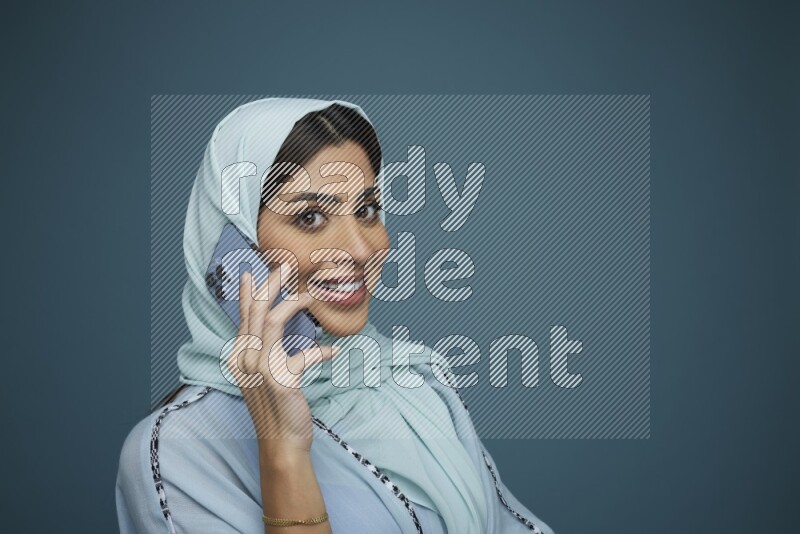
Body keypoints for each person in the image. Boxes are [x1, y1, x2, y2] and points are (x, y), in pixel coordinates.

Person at [116, 97, 555, 534]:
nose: (362, 249)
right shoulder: (175, 452)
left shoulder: (414, 386)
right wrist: (283, 453)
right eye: (310, 217)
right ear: (232, 249)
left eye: (366, 211)